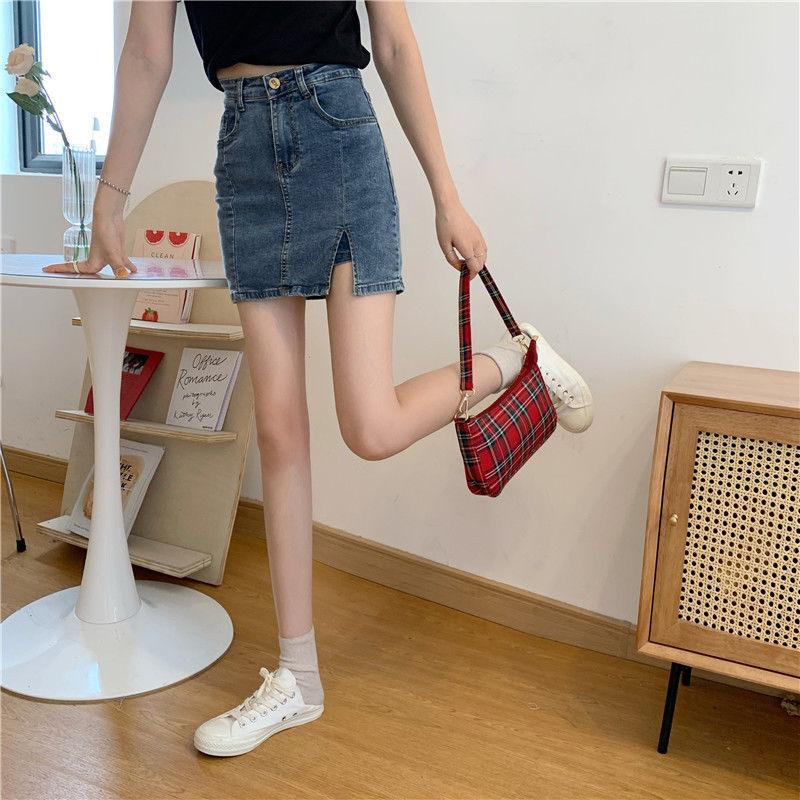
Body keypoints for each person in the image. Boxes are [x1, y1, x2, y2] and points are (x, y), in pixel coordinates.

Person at [44, 0, 593, 757]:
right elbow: (145, 50)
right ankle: (297, 677)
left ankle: (514, 362)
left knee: (370, 426)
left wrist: (447, 196)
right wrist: (110, 200)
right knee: (278, 432)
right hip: (244, 150)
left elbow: (393, 42)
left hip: (338, 135)